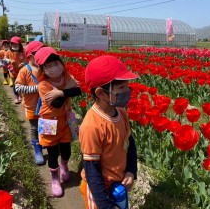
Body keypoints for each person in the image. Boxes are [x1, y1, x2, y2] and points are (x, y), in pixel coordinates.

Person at [79, 55, 138, 209]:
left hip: (119, 184)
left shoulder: (121, 112)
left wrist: (131, 171)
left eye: (127, 86)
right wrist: (105, 204)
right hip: (98, 190)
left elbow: (130, 143)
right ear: (100, 93)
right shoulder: (92, 126)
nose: (128, 91)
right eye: (121, 88)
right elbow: (92, 171)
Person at [34, 47, 82, 197]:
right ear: (43, 69)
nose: (53, 67)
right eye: (48, 66)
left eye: (55, 63)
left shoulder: (66, 76)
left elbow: (78, 90)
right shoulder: (43, 85)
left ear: (61, 63)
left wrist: (60, 92)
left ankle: (64, 166)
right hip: (48, 122)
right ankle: (55, 178)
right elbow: (56, 104)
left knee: (66, 149)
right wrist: (67, 89)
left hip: (65, 121)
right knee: (53, 152)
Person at [15, 41, 45, 165]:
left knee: (45, 126)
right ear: (31, 56)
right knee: (34, 127)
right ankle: (37, 150)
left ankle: (45, 143)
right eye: (39, 53)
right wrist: (36, 89)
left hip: (46, 106)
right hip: (31, 106)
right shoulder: (24, 71)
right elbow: (18, 88)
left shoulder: (44, 68)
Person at [5, 36, 26, 104]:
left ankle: (22, 95)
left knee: (22, 83)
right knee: (15, 83)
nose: (14, 45)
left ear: (20, 45)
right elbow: (5, 58)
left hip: (21, 71)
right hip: (12, 71)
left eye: (16, 44)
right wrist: (9, 60)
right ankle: (17, 96)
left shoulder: (23, 52)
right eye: (13, 44)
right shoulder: (9, 51)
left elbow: (26, 60)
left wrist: (23, 63)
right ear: (11, 44)